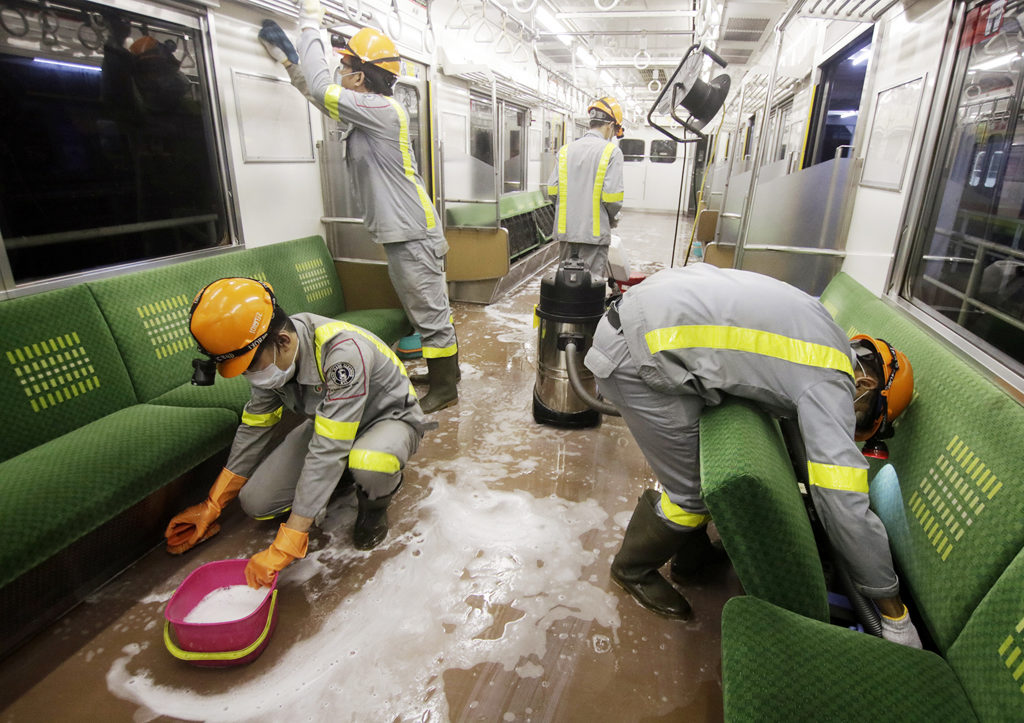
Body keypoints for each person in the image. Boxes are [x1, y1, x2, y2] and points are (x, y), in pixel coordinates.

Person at [584, 264, 923, 648]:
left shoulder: (824, 327)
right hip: (634, 355)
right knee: (691, 493)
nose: (850, 418)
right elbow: (843, 504)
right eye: (861, 414)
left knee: (692, 471)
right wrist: (894, 612)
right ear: (865, 384)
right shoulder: (831, 378)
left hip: (644, 321)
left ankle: (689, 560)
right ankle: (631, 569)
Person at [164, 278, 431, 589]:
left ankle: (374, 504)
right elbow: (255, 427)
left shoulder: (342, 353)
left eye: (251, 366)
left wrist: (288, 542)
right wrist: (213, 504)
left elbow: (329, 447)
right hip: (329, 424)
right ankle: (343, 474)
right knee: (256, 503)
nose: (251, 376)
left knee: (369, 462)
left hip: (387, 420)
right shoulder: (268, 360)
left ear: (283, 341)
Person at [283, 0, 458, 413]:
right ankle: (444, 374)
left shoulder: (381, 109)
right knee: (423, 309)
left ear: (360, 77)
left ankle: (446, 388)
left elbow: (325, 91)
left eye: (345, 67)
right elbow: (319, 93)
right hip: (401, 232)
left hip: (412, 232)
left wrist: (311, 25)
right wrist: (292, 65)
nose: (340, 74)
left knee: (430, 314)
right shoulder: (363, 113)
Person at [545, 97, 625, 280]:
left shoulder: (565, 151)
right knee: (590, 286)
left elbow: (552, 190)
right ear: (610, 125)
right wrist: (612, 218)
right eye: (614, 131)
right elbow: (612, 199)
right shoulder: (611, 151)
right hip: (594, 235)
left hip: (566, 233)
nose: (612, 135)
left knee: (566, 283)